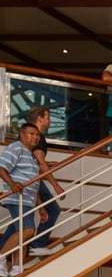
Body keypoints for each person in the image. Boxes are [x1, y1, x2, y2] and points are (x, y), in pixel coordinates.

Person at [0, 123, 47, 277]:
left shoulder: (31, 156)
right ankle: (1, 258)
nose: (35, 137)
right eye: (31, 134)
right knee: (28, 230)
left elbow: (33, 183)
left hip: (28, 200)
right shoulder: (16, 148)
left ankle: (16, 267)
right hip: (17, 198)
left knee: (21, 233)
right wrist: (12, 184)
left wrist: (40, 206)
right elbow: (1, 167)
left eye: (37, 135)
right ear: (21, 134)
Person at [24, 106, 63, 257]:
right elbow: (39, 163)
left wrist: (50, 164)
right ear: (40, 118)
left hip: (28, 178)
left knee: (18, 226)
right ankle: (38, 244)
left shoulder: (29, 135)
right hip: (32, 179)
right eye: (48, 117)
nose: (50, 121)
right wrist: (56, 185)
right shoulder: (37, 136)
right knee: (52, 209)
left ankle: (37, 244)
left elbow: (34, 160)